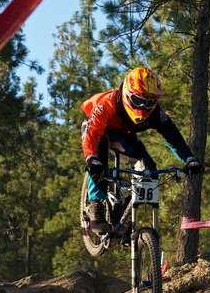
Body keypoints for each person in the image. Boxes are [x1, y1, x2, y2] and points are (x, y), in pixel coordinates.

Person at [81, 66, 203, 234]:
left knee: (150, 170)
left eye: (150, 102)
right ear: (127, 94)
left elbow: (173, 136)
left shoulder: (155, 113)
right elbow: (92, 134)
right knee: (98, 157)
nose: (145, 107)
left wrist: (189, 159)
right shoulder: (107, 104)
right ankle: (95, 204)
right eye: (139, 101)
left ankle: (124, 215)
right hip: (100, 131)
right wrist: (90, 157)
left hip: (126, 136)